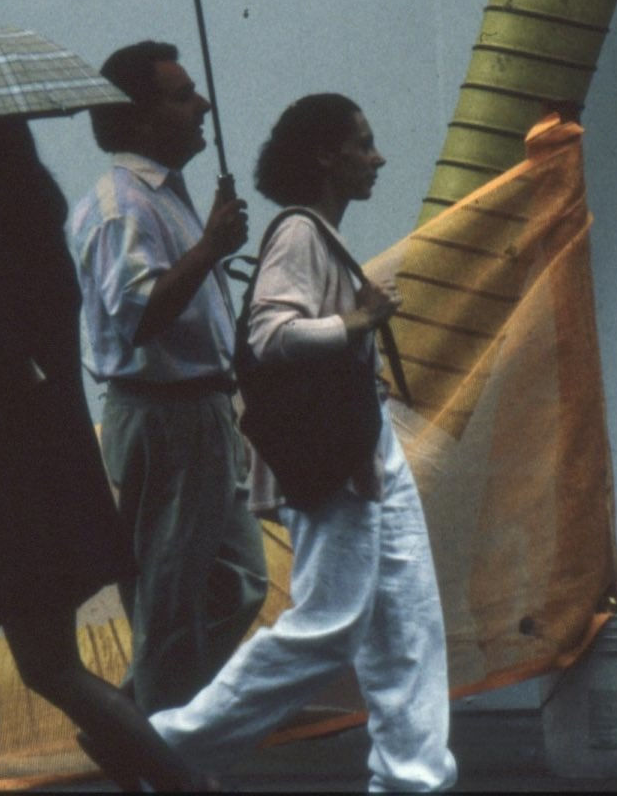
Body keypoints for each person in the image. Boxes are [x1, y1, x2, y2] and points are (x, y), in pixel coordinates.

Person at [148, 93, 458, 791]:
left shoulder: (315, 233)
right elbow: (270, 334)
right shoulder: (299, 235)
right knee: (333, 622)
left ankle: (415, 778)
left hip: (362, 444)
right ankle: (167, 742)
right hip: (340, 452)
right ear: (326, 155)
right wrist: (357, 324)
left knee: (406, 620)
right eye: (364, 144)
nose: (377, 158)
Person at [0, 117, 207, 792]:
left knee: (21, 657)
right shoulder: (18, 239)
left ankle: (189, 787)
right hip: (30, 473)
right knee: (5, 652)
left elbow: (7, 370)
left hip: (20, 480)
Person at [68, 41, 268, 717]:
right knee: (172, 601)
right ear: (142, 119)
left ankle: (135, 719)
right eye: (183, 95)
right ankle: (152, 747)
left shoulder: (164, 196)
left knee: (237, 582)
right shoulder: (123, 207)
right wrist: (211, 247)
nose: (202, 103)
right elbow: (137, 317)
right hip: (167, 419)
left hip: (197, 417)